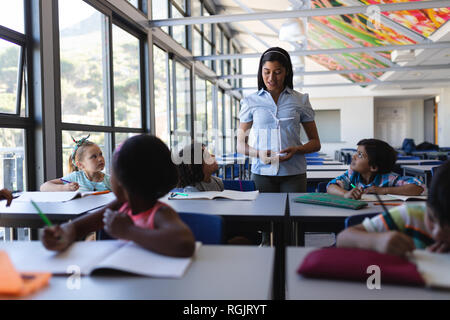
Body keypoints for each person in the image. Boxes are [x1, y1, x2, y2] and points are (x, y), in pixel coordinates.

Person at [41, 134, 195, 258]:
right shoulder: (120, 206)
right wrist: (61, 234)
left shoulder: (159, 212)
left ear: (122, 180)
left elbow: (185, 244)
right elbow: (78, 228)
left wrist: (129, 231)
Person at [237, 47, 321, 192]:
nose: (271, 78)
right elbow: (239, 145)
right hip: (262, 173)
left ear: (286, 71)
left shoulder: (301, 100)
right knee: (264, 215)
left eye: (277, 72)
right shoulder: (250, 101)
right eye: (267, 72)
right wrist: (259, 153)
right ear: (261, 72)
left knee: (295, 215)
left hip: (294, 173)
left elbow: (315, 143)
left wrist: (297, 149)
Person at [337, 160, 450, 256]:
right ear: (426, 204)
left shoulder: (391, 178)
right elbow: (343, 238)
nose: (437, 233)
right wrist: (377, 241)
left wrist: (384, 190)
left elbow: (418, 187)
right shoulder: (411, 215)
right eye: (431, 218)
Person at [327, 139, 425, 199]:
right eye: (356, 152)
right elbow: (330, 186)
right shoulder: (352, 175)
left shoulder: (388, 178)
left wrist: (383, 190)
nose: (354, 156)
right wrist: (345, 194)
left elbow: (419, 187)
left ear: (373, 167)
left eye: (360, 155)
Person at [40, 135, 111, 192]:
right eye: (94, 157)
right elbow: (44, 187)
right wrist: (64, 188)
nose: (100, 159)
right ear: (80, 165)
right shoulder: (76, 177)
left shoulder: (109, 180)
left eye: (100, 154)